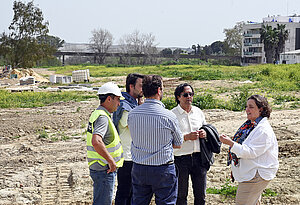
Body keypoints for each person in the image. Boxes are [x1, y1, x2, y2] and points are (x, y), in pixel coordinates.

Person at [128, 75, 183, 205]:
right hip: (162, 168)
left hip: (139, 167)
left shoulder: (132, 114)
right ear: (159, 90)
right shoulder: (169, 116)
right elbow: (179, 143)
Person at [220, 95, 279, 205]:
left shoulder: (263, 130)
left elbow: (250, 152)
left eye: (251, 107)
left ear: (261, 109)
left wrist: (230, 143)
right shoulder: (251, 125)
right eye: (246, 106)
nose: (247, 110)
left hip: (256, 174)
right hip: (253, 172)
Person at [86, 82, 124, 205]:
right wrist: (111, 161)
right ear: (109, 99)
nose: (119, 103)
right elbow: (96, 141)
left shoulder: (98, 114)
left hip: (100, 167)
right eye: (117, 99)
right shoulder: (102, 117)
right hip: (104, 169)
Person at [171, 83, 208, 205]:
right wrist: (186, 137)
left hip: (198, 158)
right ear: (178, 97)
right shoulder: (172, 115)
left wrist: (204, 133)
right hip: (181, 159)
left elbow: (206, 128)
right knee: (181, 195)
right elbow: (168, 140)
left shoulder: (198, 112)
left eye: (191, 94)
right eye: (185, 95)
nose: (189, 97)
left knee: (200, 195)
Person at [113, 73, 144, 205]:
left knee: (133, 194)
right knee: (124, 193)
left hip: (134, 156)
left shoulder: (133, 105)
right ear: (131, 87)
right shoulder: (125, 106)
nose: (143, 89)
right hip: (126, 157)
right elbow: (136, 127)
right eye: (141, 86)